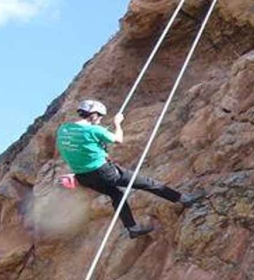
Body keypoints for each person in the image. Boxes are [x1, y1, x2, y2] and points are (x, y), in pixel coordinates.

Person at [55, 99, 202, 239]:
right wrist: (117, 123)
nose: (100, 120)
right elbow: (118, 139)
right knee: (148, 183)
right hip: (104, 172)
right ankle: (185, 199)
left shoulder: (63, 129)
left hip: (83, 177)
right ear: (94, 115)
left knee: (116, 195)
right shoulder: (95, 130)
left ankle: (132, 228)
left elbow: (77, 145)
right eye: (100, 117)